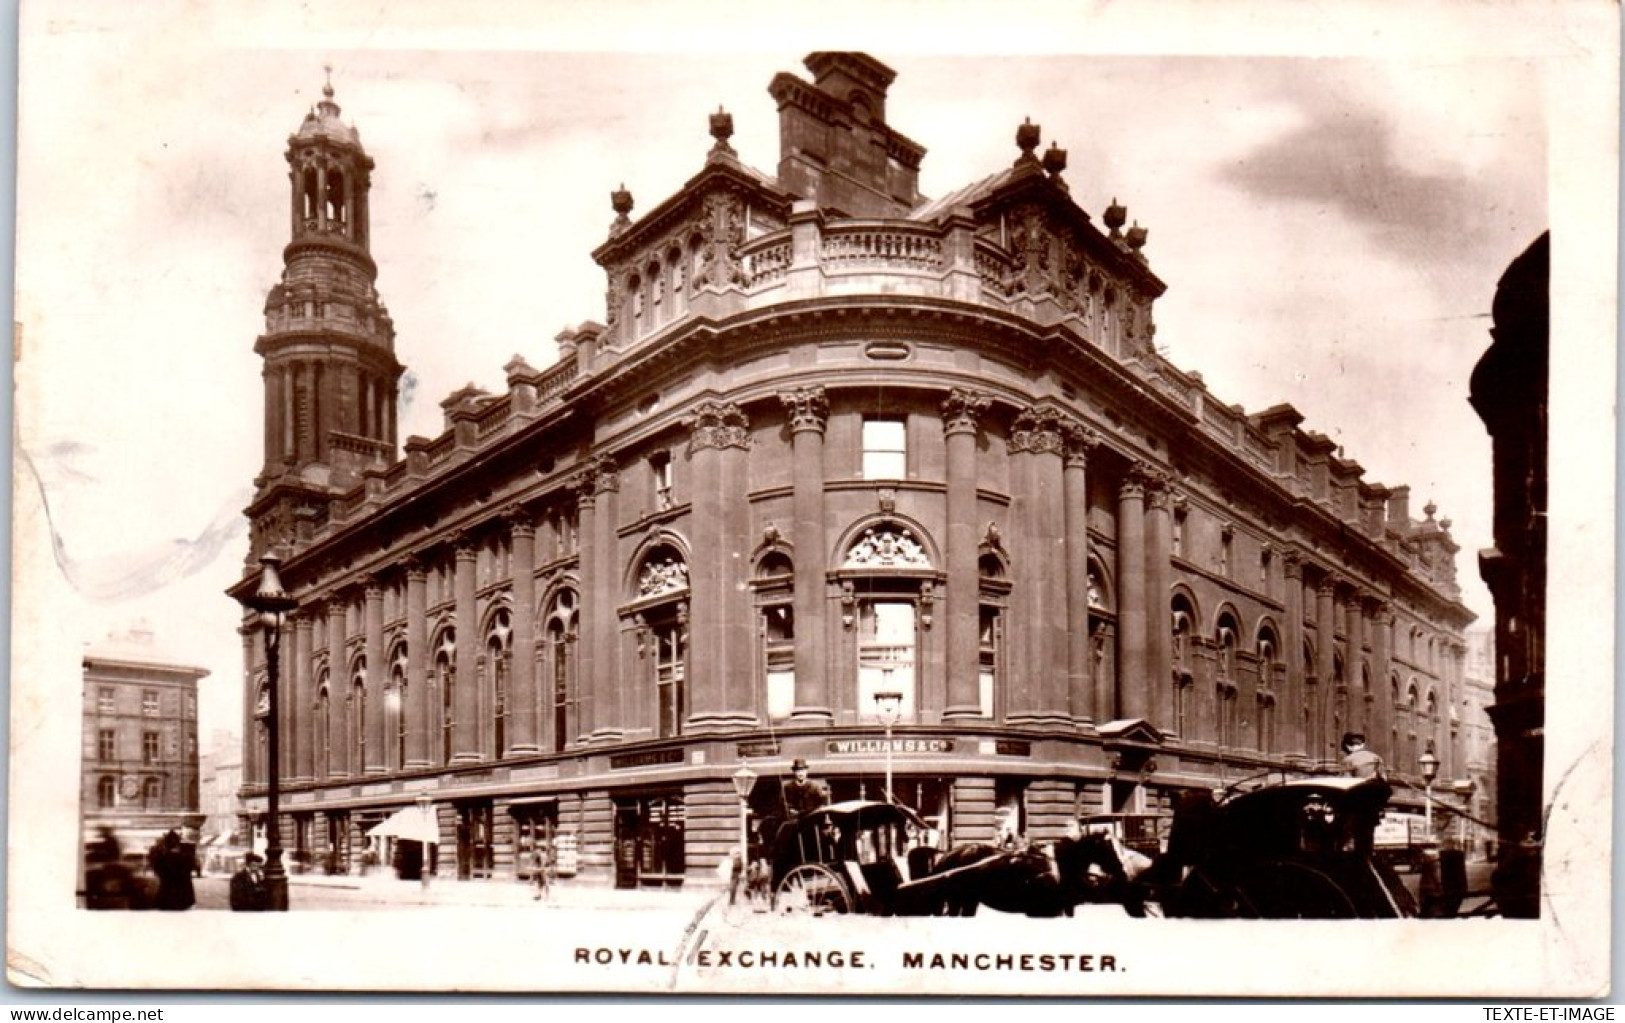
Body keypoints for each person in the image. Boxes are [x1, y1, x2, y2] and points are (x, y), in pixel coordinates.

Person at [150, 830, 195, 911]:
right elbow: (191, 867)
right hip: (183, 898)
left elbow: (156, 869)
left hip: (165, 897)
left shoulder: (161, 859)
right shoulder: (185, 858)